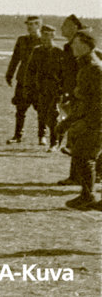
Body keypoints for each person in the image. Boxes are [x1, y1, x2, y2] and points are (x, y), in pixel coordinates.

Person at [60, 29, 102, 210]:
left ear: (85, 45)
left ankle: (88, 196)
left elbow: (91, 101)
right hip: (93, 119)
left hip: (95, 120)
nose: (71, 46)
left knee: (85, 156)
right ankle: (88, 195)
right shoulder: (88, 65)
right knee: (83, 155)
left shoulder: (93, 67)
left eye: (75, 43)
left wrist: (67, 122)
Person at [24, 24, 64, 149]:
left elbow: (64, 72)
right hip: (40, 87)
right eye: (43, 35)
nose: (45, 38)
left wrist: (61, 89)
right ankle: (41, 136)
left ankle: (54, 142)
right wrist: (28, 87)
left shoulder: (59, 52)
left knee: (53, 115)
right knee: (41, 113)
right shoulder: (37, 51)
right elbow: (30, 70)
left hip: (54, 88)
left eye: (48, 35)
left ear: (53, 36)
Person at [5, 15, 42, 143]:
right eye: (28, 24)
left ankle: (42, 136)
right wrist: (9, 74)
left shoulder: (43, 41)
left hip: (38, 81)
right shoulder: (22, 40)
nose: (29, 27)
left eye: (32, 24)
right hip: (23, 79)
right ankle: (18, 135)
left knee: (41, 109)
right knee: (20, 109)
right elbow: (15, 58)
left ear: (38, 25)